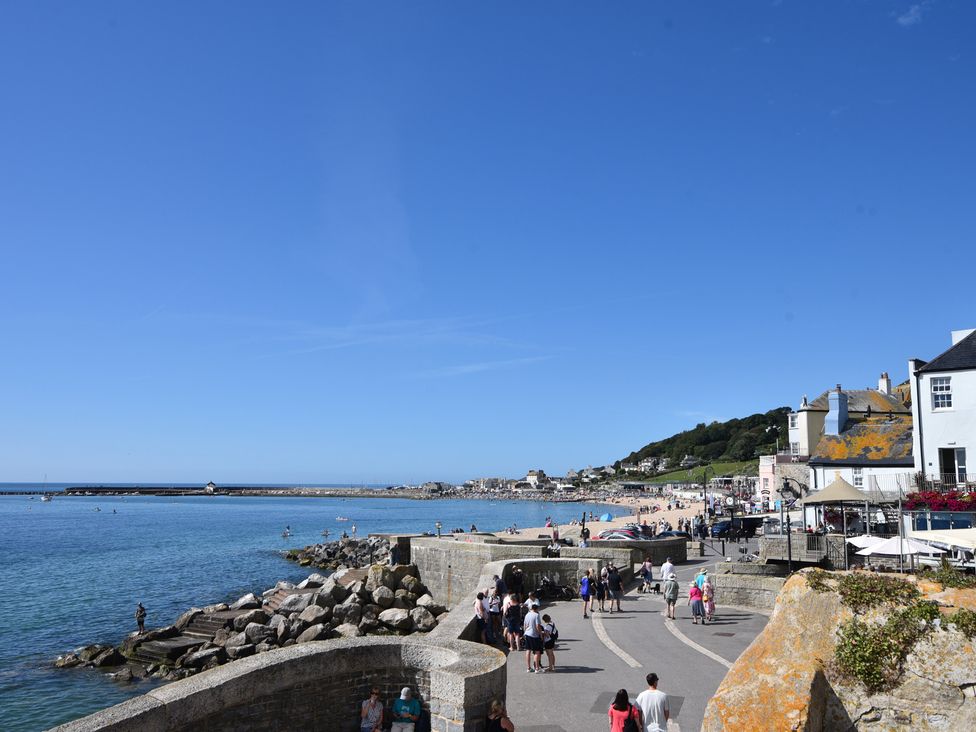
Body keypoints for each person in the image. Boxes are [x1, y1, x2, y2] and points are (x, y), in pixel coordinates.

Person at [523, 603, 544, 673]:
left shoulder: (527, 614)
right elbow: (538, 626)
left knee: (528, 650)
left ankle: (528, 668)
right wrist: (540, 635)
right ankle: (537, 668)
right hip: (534, 635)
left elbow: (525, 625)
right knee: (537, 651)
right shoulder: (536, 615)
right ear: (537, 609)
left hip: (527, 634)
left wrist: (524, 633)